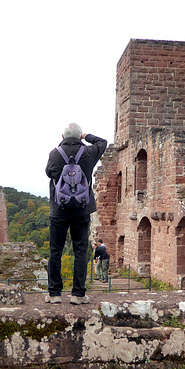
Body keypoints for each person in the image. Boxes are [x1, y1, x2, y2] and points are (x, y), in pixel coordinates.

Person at [45, 123, 107, 305]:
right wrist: (86, 136)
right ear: (79, 136)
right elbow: (102, 142)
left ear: (63, 137)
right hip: (81, 209)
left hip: (59, 209)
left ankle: (54, 294)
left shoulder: (55, 153)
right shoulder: (88, 153)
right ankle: (78, 294)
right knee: (80, 251)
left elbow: (49, 173)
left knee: (55, 251)